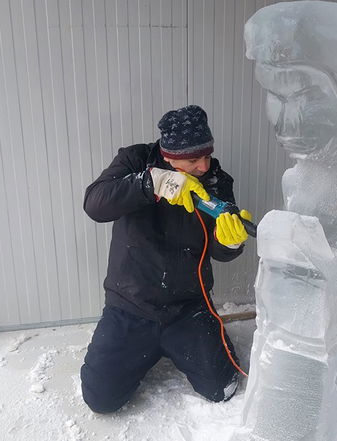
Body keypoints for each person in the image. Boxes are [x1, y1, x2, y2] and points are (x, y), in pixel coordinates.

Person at [80, 104, 252, 413]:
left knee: (222, 389)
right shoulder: (135, 160)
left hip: (188, 307)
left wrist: (230, 242)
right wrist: (151, 184)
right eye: (193, 159)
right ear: (168, 154)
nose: (203, 165)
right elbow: (95, 203)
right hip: (130, 305)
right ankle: (145, 349)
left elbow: (220, 252)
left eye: (207, 155)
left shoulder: (216, 181)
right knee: (100, 399)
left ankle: (199, 339)